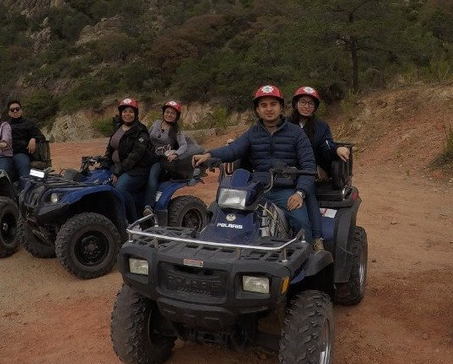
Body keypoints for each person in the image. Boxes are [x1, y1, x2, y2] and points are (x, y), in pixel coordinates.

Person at [192, 84, 320, 251]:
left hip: (286, 191)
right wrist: (208, 155)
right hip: (256, 190)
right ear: (257, 110)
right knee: (218, 211)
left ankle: (306, 263)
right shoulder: (253, 132)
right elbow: (234, 149)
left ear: (281, 107)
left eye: (273, 104)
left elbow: (309, 166)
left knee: (301, 222)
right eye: (263, 105)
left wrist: (299, 193)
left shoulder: (296, 133)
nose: (269, 109)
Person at [288, 85, 350, 247]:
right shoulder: (285, 123)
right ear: (295, 103)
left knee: (308, 194)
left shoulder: (321, 127)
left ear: (315, 107)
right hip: (285, 169)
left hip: (309, 170)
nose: (306, 106)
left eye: (310, 103)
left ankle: (317, 238)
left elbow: (326, 145)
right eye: (303, 102)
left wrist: (337, 148)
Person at [143, 100, 201, 214]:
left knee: (152, 175)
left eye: (172, 113)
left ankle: (148, 205)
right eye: (167, 112)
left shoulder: (176, 131)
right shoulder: (156, 123)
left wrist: (175, 153)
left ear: (176, 116)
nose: (169, 115)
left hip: (162, 160)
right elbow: (147, 137)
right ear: (164, 112)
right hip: (148, 155)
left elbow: (184, 145)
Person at [104, 98, 154, 223]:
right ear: (121, 113)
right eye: (125, 111)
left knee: (120, 188)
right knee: (97, 182)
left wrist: (118, 172)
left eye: (131, 111)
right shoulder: (118, 127)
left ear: (135, 114)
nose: (127, 114)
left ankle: (134, 222)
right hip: (118, 167)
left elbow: (135, 156)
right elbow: (110, 148)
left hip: (137, 170)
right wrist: (105, 162)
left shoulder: (140, 131)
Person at [6, 99, 45, 180]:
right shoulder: (5, 126)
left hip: (21, 153)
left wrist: (33, 139)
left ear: (21, 110)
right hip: (5, 154)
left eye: (17, 109)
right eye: (12, 110)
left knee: (22, 163)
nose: (15, 111)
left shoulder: (28, 123)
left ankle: (26, 189)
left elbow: (41, 136)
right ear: (9, 112)